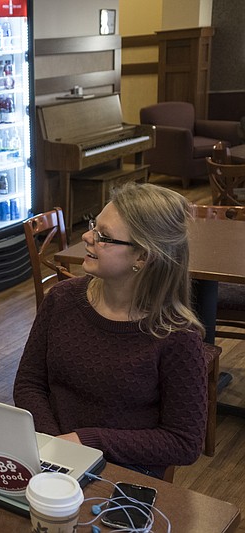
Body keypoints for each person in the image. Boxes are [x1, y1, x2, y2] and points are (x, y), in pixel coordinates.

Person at [13, 182, 208, 479]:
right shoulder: (62, 298)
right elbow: (28, 383)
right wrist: (55, 445)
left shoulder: (178, 336)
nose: (87, 236)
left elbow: (184, 442)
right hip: (49, 454)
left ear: (142, 257)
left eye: (104, 237)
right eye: (94, 226)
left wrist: (86, 442)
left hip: (123, 469)